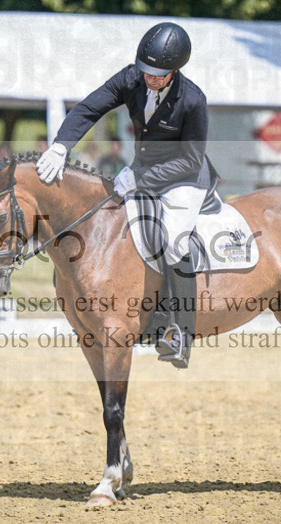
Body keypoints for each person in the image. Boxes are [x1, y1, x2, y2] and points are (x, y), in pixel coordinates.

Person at [36, 21, 213, 368]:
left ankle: (178, 331)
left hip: (185, 178)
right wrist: (61, 145)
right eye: (146, 71)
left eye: (158, 75)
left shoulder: (192, 100)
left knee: (174, 239)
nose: (150, 79)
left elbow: (191, 159)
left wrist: (142, 177)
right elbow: (89, 107)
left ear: (175, 71)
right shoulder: (132, 78)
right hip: (140, 173)